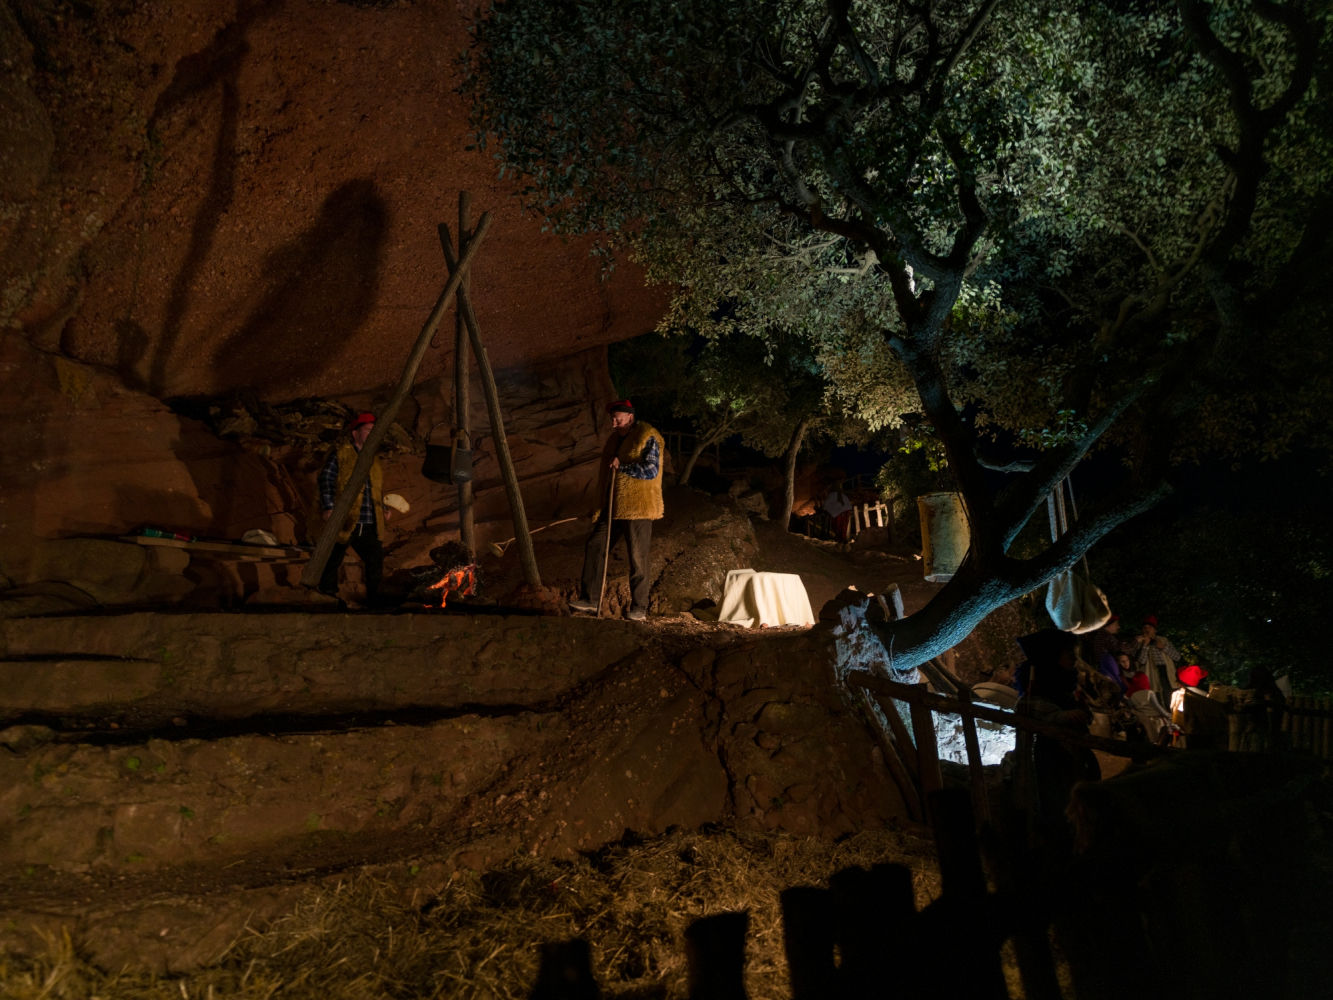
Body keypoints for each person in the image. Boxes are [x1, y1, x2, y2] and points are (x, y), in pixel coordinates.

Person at [569, 399, 665, 621]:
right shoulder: (614, 440)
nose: (613, 421)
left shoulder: (647, 436)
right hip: (613, 507)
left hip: (638, 508)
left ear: (630, 416)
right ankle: (590, 600)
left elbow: (650, 470)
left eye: (617, 417)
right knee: (595, 545)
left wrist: (623, 466)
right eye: (612, 417)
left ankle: (640, 608)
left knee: (638, 558)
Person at [317, 411, 389, 605]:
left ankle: (375, 602)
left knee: (375, 561)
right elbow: (326, 479)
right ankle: (327, 597)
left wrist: (382, 509)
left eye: (374, 431)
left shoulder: (374, 460)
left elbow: (376, 488)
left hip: (368, 522)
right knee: (332, 560)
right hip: (345, 519)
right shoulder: (341, 454)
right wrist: (329, 507)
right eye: (368, 430)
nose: (372, 434)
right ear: (355, 433)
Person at [1132, 614, 1181, 703]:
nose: (1146, 630)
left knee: (1170, 694)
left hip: (1166, 672)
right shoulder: (1140, 643)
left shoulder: (1163, 640)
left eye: (1149, 627)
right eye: (1144, 628)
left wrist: (1164, 648)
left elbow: (1177, 657)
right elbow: (1141, 661)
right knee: (1157, 696)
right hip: (1152, 673)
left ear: (1154, 630)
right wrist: (1145, 645)